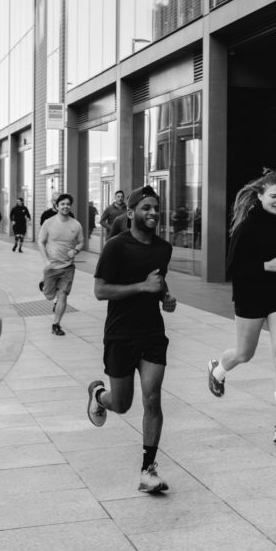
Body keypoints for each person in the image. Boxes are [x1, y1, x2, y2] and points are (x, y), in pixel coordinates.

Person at [86, 185, 175, 493]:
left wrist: (165, 297)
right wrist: (142, 287)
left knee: (153, 398)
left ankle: (148, 469)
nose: (152, 212)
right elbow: (100, 290)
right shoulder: (116, 247)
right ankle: (99, 396)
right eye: (146, 207)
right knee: (122, 404)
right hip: (120, 333)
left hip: (151, 332)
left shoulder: (163, 248)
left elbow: (157, 281)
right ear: (131, 212)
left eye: (156, 208)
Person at [207, 169, 276, 446]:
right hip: (250, 296)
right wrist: (266, 266)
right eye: (273, 196)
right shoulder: (246, 227)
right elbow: (232, 268)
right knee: (244, 353)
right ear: (260, 196)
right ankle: (218, 369)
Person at [38, 193, 84, 336]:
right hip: (51, 266)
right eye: (62, 204)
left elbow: (82, 242)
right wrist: (46, 261)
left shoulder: (76, 224)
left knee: (63, 295)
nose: (65, 206)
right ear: (57, 206)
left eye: (68, 204)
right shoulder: (49, 222)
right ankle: (44, 284)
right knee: (49, 296)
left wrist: (75, 250)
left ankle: (56, 324)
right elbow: (41, 241)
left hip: (68, 267)